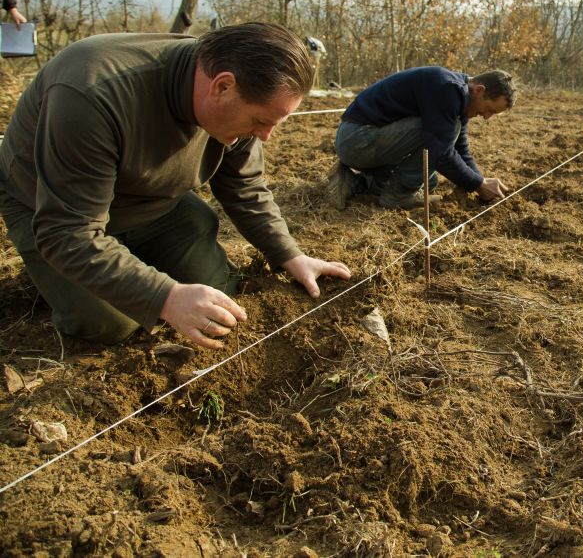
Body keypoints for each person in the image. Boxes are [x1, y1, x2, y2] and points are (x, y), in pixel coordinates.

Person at [0, 23, 352, 350]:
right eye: (261, 121)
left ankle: (127, 259)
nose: (265, 135)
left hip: (153, 203)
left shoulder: (242, 99)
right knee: (112, 324)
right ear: (223, 86)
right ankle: (58, 282)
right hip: (49, 207)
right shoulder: (93, 92)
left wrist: (289, 255)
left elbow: (245, 186)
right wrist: (165, 297)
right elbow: (67, 232)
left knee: (216, 291)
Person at [333, 67, 515, 210]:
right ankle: (397, 195)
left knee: (429, 181)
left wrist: (480, 181)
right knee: (439, 142)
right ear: (479, 90)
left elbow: (460, 147)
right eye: (490, 109)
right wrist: (478, 184)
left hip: (365, 140)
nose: (487, 116)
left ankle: (356, 183)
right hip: (357, 140)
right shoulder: (446, 89)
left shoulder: (461, 93)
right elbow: (441, 153)